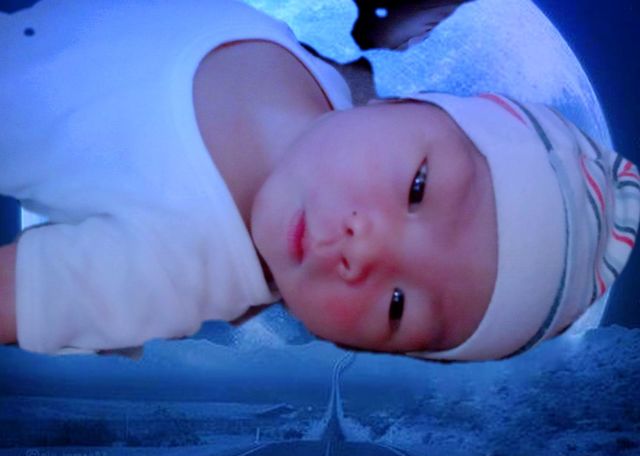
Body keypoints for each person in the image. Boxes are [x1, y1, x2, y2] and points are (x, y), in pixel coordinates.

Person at [0, 0, 638, 361]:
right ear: (405, 104)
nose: (366, 250)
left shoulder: (176, 273)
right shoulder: (324, 63)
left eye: (397, 305)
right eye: (417, 189)